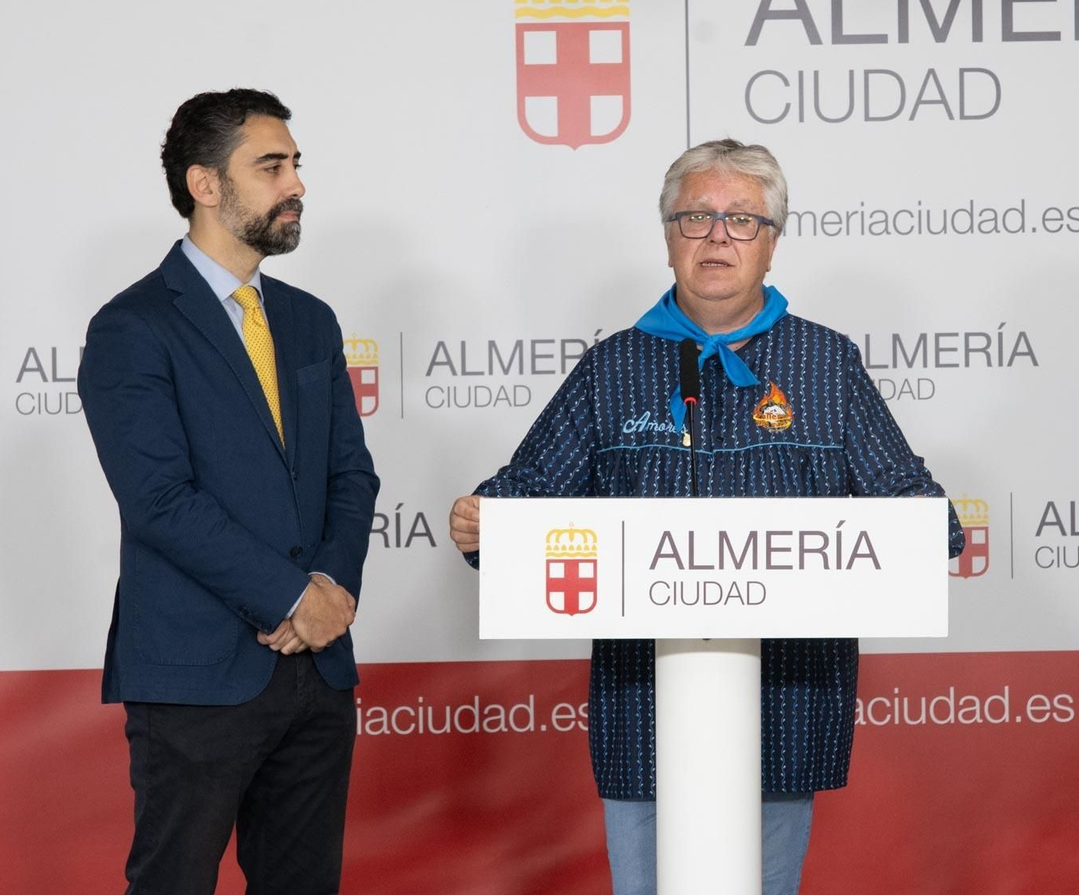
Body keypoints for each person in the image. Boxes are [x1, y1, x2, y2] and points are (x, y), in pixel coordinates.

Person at [449, 139, 963, 895]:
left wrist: (928, 522)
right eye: (696, 217)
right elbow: (522, 498)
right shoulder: (611, 368)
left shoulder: (826, 363)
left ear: (772, 242)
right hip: (644, 705)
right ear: (668, 236)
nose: (718, 236)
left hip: (784, 700)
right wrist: (484, 521)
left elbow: (919, 512)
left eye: (742, 220)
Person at [79, 88, 380, 894]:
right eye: (271, 167)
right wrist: (293, 597)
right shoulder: (133, 326)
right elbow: (159, 499)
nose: (296, 185)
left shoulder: (311, 321)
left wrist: (330, 589)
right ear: (205, 184)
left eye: (296, 165)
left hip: (317, 672)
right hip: (196, 674)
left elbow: (351, 474)